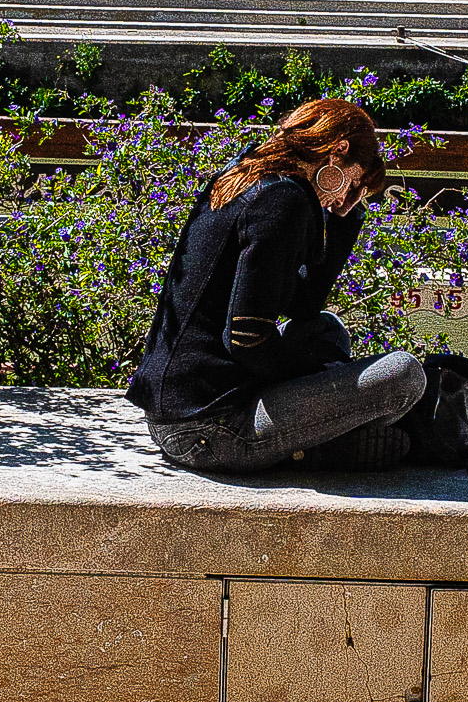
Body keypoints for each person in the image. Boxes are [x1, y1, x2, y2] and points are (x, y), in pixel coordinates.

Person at [128, 99, 427, 474]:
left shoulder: (251, 174)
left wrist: (342, 219)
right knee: (405, 375)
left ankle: (323, 436)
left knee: (325, 329)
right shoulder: (283, 200)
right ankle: (319, 449)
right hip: (207, 428)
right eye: (352, 187)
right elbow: (247, 339)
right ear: (338, 151)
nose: (342, 200)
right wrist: (319, 374)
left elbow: (303, 306)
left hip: (183, 406)